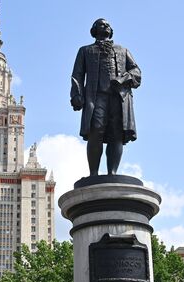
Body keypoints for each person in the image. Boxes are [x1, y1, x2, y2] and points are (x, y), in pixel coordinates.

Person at [71, 18, 141, 176]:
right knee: (96, 130)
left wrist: (123, 79)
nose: (106, 26)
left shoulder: (123, 50)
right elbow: (77, 75)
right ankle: (93, 173)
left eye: (108, 25)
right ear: (94, 29)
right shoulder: (85, 50)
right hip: (95, 98)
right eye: (102, 24)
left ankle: (112, 173)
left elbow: (137, 72)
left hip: (118, 97)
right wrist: (76, 94)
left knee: (116, 133)